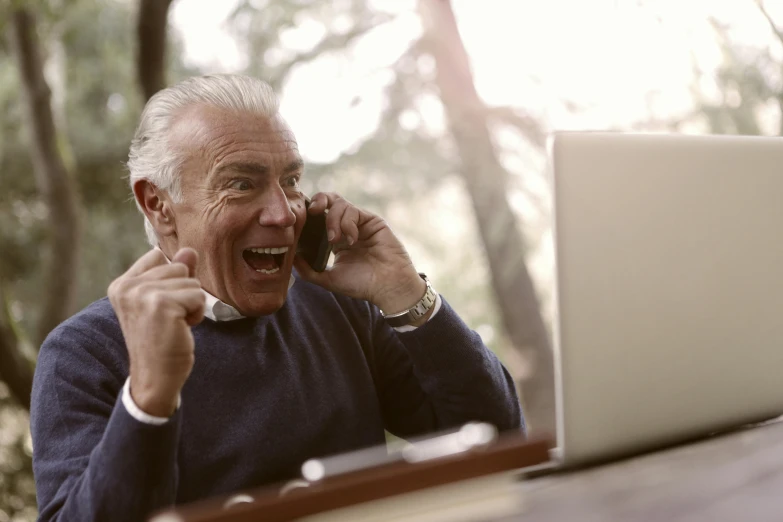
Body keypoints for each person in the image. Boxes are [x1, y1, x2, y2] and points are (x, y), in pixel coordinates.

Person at [30, 74, 524, 522]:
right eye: (241, 184)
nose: (284, 213)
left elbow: (498, 438)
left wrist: (404, 293)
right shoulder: (82, 354)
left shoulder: (340, 305)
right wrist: (149, 398)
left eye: (289, 181)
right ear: (158, 204)